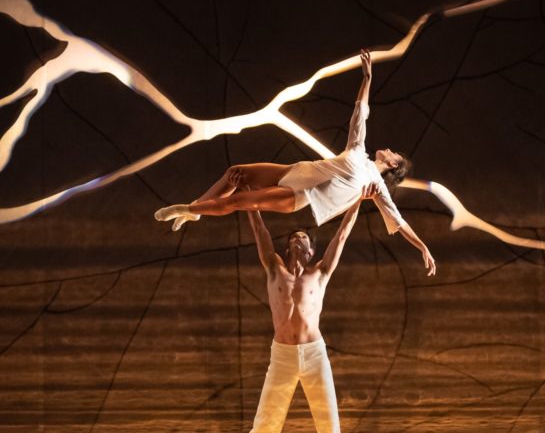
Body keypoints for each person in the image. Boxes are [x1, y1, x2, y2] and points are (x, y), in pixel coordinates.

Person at [156, 48, 436, 276]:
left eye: (394, 153)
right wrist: (367, 78)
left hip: (301, 195)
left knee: (238, 201)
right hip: (297, 171)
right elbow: (360, 113)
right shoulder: (358, 150)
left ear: (394, 166)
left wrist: (422, 246)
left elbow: (398, 221)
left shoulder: (374, 185)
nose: (388, 149)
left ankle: (188, 208)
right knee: (235, 173)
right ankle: (197, 211)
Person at [221, 189, 377, 433]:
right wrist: (250, 201)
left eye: (304, 237)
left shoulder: (320, 273)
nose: (297, 239)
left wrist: (358, 201)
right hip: (282, 355)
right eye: (294, 236)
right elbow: (259, 232)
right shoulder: (274, 268)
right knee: (265, 421)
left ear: (311, 248)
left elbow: (343, 235)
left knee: (328, 420)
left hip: (314, 353)